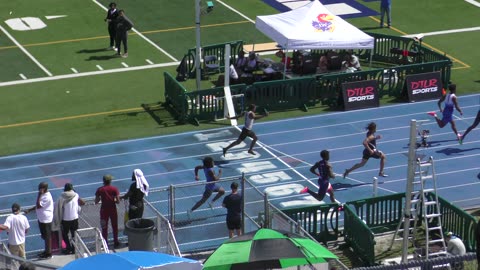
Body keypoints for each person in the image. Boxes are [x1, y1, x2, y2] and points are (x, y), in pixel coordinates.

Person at [53, 183, 85, 255]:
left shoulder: (61, 197)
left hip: (65, 219)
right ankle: (74, 248)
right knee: (74, 234)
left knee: (65, 234)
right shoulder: (76, 195)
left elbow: (58, 207)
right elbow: (83, 202)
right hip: (75, 218)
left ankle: (68, 247)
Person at [25, 182, 53, 259]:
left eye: (40, 188)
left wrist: (39, 195)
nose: (39, 190)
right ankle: (46, 251)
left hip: (46, 219)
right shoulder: (44, 194)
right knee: (44, 236)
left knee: (47, 237)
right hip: (41, 218)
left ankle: (49, 253)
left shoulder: (47, 196)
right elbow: (37, 206)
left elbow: (39, 205)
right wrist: (30, 210)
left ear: (44, 188)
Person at [95, 174, 121, 248]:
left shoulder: (100, 189)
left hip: (104, 210)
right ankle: (116, 241)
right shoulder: (114, 189)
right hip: (113, 209)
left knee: (104, 227)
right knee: (114, 226)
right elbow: (118, 201)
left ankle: (105, 242)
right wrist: (114, 199)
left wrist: (100, 198)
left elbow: (96, 201)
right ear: (110, 181)